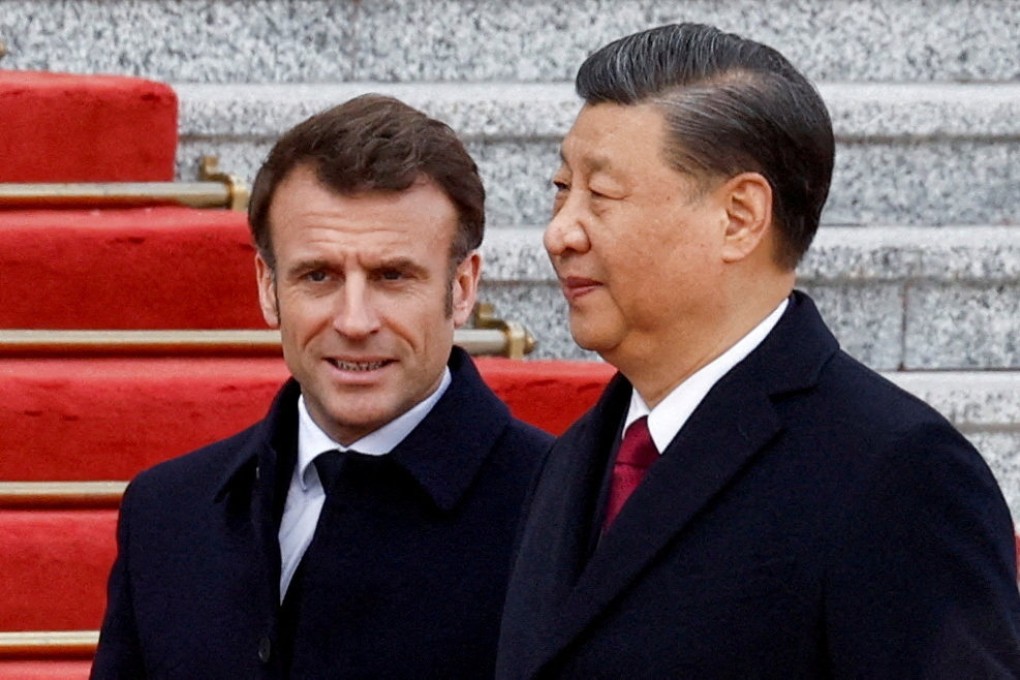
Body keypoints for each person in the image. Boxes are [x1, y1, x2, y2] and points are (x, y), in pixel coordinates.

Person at [497, 23, 1020, 679]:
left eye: (600, 195)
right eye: (560, 187)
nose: (560, 233)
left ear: (740, 216)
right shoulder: (576, 457)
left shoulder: (895, 472)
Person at [91, 94, 552, 679]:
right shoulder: (166, 512)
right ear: (268, 288)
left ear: (462, 289)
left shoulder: (564, 515)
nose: (354, 321)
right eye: (318, 276)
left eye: (392, 276)